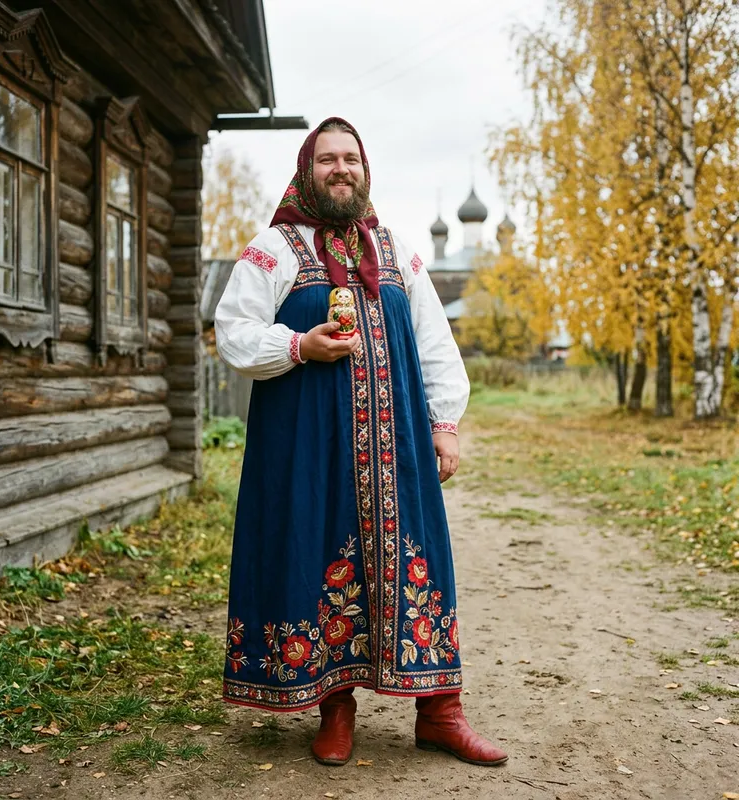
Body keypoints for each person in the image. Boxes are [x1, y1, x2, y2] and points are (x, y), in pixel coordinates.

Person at [215, 118, 507, 768]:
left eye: (350, 158)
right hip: (312, 452)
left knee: (422, 561)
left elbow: (435, 340)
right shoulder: (277, 248)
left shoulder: (397, 251)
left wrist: (445, 424)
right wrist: (298, 345)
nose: (340, 169)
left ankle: (441, 712)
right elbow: (232, 332)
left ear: (364, 168)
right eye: (328, 160)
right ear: (306, 169)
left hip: (399, 449)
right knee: (322, 563)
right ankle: (336, 708)